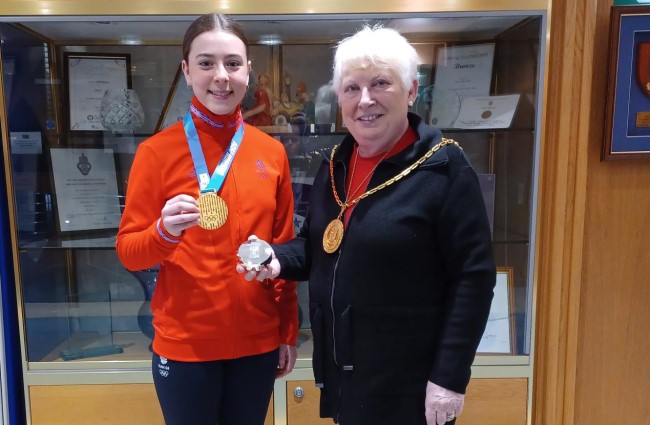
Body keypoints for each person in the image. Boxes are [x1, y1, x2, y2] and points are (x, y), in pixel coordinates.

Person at [238, 25, 495, 425]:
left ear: (410, 91)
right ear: (339, 97)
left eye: (380, 84)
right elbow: (317, 245)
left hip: (411, 385)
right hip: (345, 374)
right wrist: (275, 258)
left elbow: (474, 279)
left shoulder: (445, 168)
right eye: (352, 88)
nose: (365, 100)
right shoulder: (335, 164)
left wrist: (449, 378)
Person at [116, 13, 298, 425]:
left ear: (249, 71)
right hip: (186, 346)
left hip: (257, 343)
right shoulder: (156, 153)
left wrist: (287, 329)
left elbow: (284, 250)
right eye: (206, 63)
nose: (221, 76)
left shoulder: (271, 153)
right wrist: (163, 233)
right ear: (186, 70)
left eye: (233, 63)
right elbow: (129, 252)